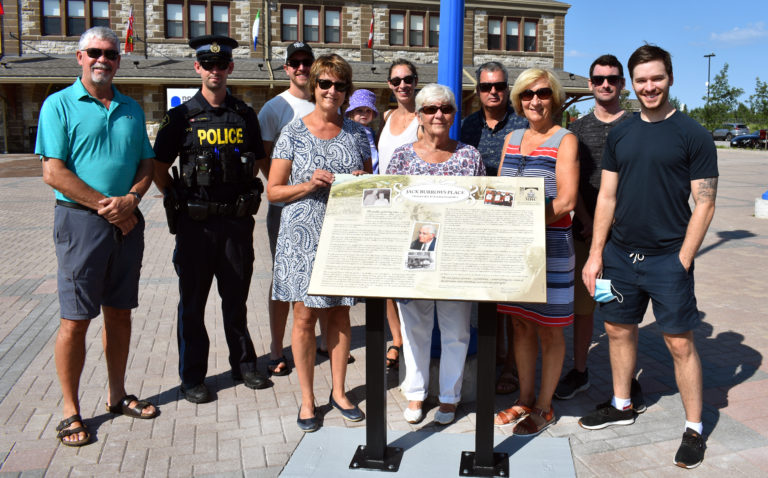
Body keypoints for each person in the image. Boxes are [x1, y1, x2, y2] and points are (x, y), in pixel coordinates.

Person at [579, 44, 717, 470]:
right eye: (641, 80)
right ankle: (622, 403)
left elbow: (705, 202)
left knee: (679, 343)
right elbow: (607, 195)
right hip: (619, 256)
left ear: (670, 78)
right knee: (619, 331)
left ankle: (694, 428)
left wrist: (683, 259)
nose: (649, 86)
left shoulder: (692, 134)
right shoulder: (621, 131)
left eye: (656, 78)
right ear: (632, 85)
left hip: (667, 259)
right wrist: (595, 254)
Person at [36, 26, 158, 447]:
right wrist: (108, 206)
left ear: (118, 59)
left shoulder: (130, 107)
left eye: (109, 53)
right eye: (93, 52)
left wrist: (132, 199)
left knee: (119, 313)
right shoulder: (59, 105)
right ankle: (71, 411)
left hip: (127, 220)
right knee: (75, 319)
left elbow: (146, 163)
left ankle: (117, 394)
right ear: (79, 57)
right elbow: (54, 171)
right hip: (81, 223)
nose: (102, 59)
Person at [153, 35, 270, 404]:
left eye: (222, 65)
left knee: (235, 300)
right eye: (208, 64)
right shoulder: (180, 117)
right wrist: (174, 197)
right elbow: (158, 167)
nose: (215, 70)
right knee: (193, 304)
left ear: (230, 68)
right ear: (198, 68)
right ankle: (192, 377)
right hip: (195, 228)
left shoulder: (245, 114)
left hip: (236, 225)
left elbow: (261, 162)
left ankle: (244, 364)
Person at [268, 54, 372, 433]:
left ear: (347, 91)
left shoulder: (358, 134)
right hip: (302, 235)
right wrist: (309, 184)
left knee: (340, 314)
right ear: (314, 86)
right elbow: (273, 191)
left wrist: (362, 179)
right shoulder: (293, 132)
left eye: (339, 85)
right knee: (304, 317)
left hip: (343, 236)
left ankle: (340, 392)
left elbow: (370, 185)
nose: (332, 91)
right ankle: (308, 397)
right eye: (325, 84)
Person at [386, 83, 485, 425]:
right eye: (430, 109)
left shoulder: (469, 156)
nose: (438, 115)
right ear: (419, 115)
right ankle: (415, 394)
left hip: (455, 257)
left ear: (454, 114)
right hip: (415, 254)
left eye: (445, 109)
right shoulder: (401, 156)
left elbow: (480, 208)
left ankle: (449, 397)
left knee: (456, 330)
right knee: (415, 328)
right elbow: (391, 207)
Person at [493, 68, 578, 436]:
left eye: (542, 93)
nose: (535, 100)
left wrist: (527, 219)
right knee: (520, 323)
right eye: (527, 94)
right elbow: (496, 190)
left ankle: (544, 407)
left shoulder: (565, 140)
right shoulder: (511, 138)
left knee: (549, 329)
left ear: (554, 98)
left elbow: (567, 200)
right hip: (513, 248)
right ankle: (524, 399)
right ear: (519, 100)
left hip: (552, 245)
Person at [554, 54, 636, 401]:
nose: (606, 84)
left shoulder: (637, 126)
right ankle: (581, 370)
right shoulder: (578, 130)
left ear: (622, 84)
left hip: (627, 237)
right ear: (590, 85)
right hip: (586, 234)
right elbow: (574, 183)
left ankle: (628, 380)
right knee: (586, 307)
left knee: (623, 312)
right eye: (599, 78)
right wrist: (587, 220)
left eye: (613, 78)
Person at [460, 61, 529, 396]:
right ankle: (496, 354)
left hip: (513, 222)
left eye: (499, 86)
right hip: (478, 224)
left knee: (513, 301)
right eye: (486, 87)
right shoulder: (467, 126)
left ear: (507, 88)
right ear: (478, 91)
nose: (493, 92)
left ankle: (512, 368)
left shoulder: (522, 125)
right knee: (489, 300)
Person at [258, 42, 315, 377]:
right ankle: (277, 348)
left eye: (306, 62)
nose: (301, 68)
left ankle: (317, 340)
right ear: (286, 68)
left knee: (317, 276)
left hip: (321, 205)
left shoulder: (326, 100)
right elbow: (264, 155)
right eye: (295, 63)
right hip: (286, 206)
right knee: (283, 278)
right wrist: (283, 187)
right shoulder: (274, 108)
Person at [378, 59, 421, 370]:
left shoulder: (425, 117)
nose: (402, 85)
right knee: (389, 283)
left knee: (413, 280)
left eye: (408, 79)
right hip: (386, 210)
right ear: (389, 85)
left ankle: (414, 342)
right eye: (396, 80)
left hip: (415, 210)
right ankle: (398, 339)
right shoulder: (387, 115)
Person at [346, 89, 380, 173]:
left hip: (375, 170)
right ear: (352, 113)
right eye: (359, 110)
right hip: (359, 172)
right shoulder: (349, 131)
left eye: (368, 111)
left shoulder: (372, 132)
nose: (364, 114)